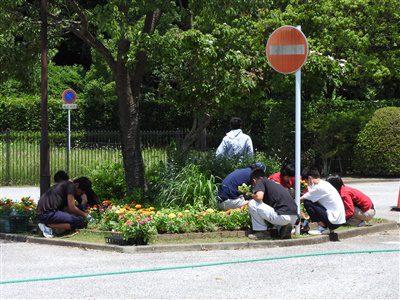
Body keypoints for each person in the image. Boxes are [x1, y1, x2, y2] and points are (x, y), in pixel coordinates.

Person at [247, 168, 298, 240]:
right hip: (294, 217)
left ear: (254, 180)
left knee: (252, 203)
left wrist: (250, 195)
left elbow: (259, 197)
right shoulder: (273, 183)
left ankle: (261, 232)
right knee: (273, 210)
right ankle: (282, 228)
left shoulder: (260, 181)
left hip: (283, 216)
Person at [300, 167, 345, 235]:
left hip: (333, 221)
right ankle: (327, 228)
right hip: (338, 220)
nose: (306, 184)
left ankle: (322, 227)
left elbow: (301, 199)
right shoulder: (324, 184)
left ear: (310, 178)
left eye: (306, 181)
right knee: (312, 201)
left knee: (307, 203)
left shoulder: (318, 188)